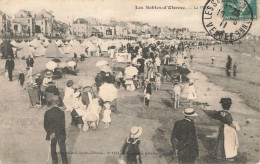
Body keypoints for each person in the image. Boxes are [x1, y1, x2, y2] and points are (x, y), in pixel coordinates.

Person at [44, 96, 68, 164]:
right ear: (58, 102)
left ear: (51, 102)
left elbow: (45, 125)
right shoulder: (61, 112)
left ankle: (54, 162)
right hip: (61, 134)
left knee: (53, 150)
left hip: (51, 134)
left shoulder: (47, 112)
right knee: (63, 150)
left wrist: (50, 133)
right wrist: (56, 132)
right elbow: (62, 126)